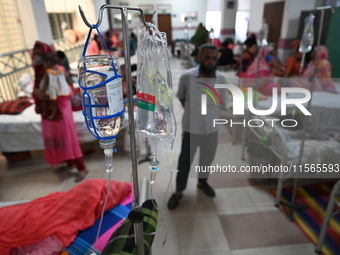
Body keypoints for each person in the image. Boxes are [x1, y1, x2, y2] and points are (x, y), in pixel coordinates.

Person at [167, 44, 227, 210]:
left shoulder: (221, 79)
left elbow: (221, 102)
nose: (211, 61)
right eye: (207, 57)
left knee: (207, 159)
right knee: (185, 161)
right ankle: (179, 191)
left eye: (214, 58)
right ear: (199, 57)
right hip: (191, 128)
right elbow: (182, 98)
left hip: (212, 129)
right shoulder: (187, 77)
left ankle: (202, 182)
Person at [33, 51, 89, 182]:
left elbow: (44, 94)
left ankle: (82, 168)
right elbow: (69, 84)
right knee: (66, 137)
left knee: (66, 138)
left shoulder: (47, 73)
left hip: (55, 110)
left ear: (47, 63)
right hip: (64, 107)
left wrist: (36, 93)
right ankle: (70, 162)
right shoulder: (62, 70)